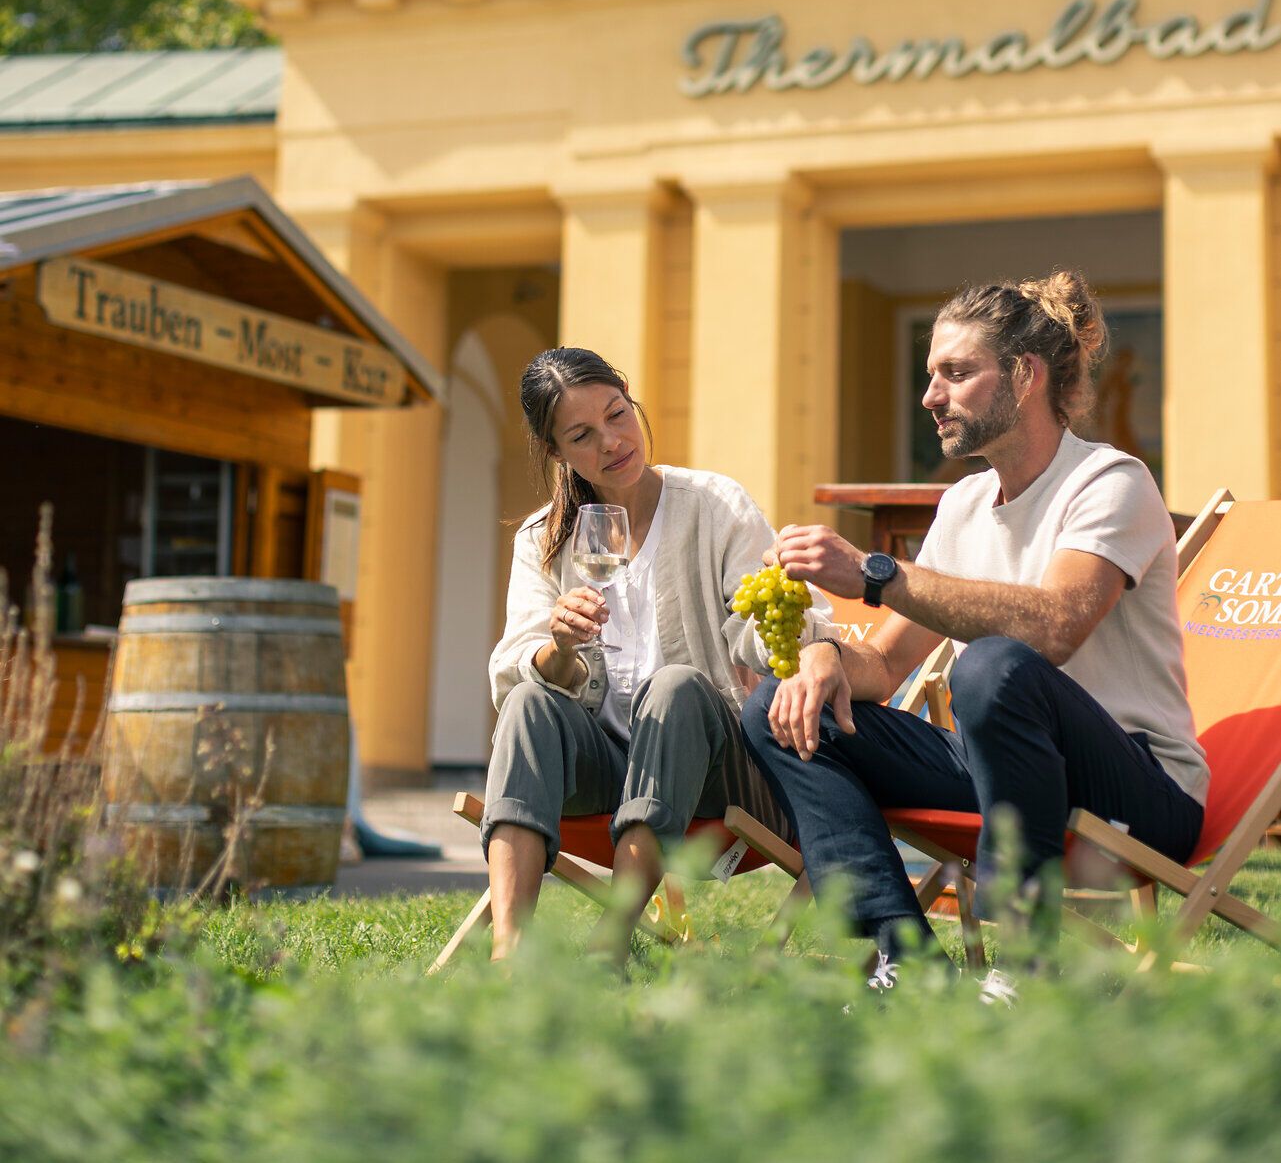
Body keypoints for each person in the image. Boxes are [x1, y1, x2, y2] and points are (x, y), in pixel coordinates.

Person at [741, 270, 1207, 990]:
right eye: (931, 375)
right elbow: (886, 664)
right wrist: (827, 660)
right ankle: (904, 955)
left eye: (956, 374)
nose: (930, 397)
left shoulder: (1110, 483)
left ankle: (1020, 960)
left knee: (992, 666)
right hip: (1007, 766)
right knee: (780, 706)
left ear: (1023, 375)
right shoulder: (962, 505)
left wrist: (874, 573)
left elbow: (1053, 629)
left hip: (1138, 790)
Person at [484, 345, 830, 958]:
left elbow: (766, 635)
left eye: (618, 414)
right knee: (529, 706)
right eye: (583, 435)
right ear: (556, 453)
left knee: (675, 684)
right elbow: (515, 673)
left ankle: (611, 944)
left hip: (715, 773)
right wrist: (558, 647)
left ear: (632, 402)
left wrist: (778, 608)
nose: (613, 442)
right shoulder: (544, 537)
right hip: (605, 772)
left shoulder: (713, 505)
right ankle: (509, 954)